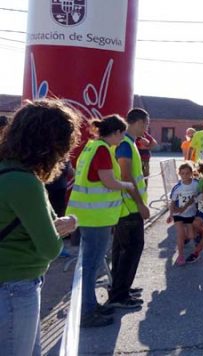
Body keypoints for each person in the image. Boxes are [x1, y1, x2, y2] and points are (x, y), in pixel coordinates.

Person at [0, 100, 81, 352]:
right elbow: (50, 248)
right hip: (15, 286)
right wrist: (66, 227)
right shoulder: (25, 182)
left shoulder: (6, 171)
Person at [66, 115, 135, 328]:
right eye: (122, 134)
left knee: (90, 265)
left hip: (87, 215)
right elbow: (109, 181)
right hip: (96, 218)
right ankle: (87, 312)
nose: (122, 139)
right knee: (91, 266)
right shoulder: (103, 150)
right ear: (116, 132)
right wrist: (127, 185)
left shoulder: (91, 146)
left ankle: (90, 305)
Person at [107, 109, 152, 311]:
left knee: (122, 250)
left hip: (126, 207)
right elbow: (126, 175)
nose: (146, 128)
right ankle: (119, 294)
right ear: (139, 122)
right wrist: (141, 204)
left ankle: (120, 287)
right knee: (130, 250)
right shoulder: (125, 144)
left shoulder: (128, 142)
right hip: (129, 208)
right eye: (146, 124)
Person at [167, 163, 198, 266]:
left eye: (187, 173)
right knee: (180, 235)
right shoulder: (177, 187)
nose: (185, 176)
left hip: (191, 213)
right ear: (179, 174)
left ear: (191, 173)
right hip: (178, 213)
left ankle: (192, 238)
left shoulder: (196, 184)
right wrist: (170, 215)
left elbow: (199, 196)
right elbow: (172, 202)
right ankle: (180, 256)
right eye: (182, 173)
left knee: (191, 235)